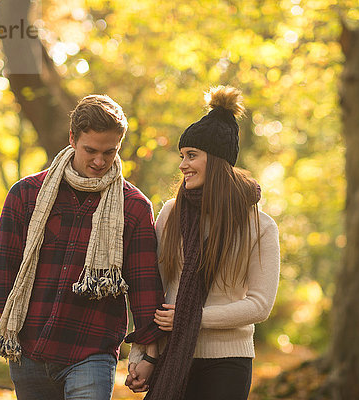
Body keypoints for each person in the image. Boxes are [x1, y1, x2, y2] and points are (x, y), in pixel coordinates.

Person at [0, 94, 164, 400]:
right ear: (72, 138)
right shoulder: (26, 194)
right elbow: (4, 269)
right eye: (90, 150)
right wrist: (16, 327)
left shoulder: (133, 207)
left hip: (91, 351)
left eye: (110, 152)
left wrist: (148, 355)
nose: (99, 161)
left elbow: (145, 286)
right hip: (29, 351)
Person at [125, 86, 280, 400]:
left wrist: (190, 316)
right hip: (171, 356)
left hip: (228, 363)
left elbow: (260, 305)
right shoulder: (170, 213)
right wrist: (142, 354)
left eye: (192, 155)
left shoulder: (260, 225)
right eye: (182, 156)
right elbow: (154, 288)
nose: (183, 165)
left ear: (218, 160)